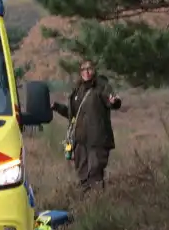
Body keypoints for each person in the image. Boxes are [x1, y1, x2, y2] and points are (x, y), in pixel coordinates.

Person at [52, 59, 123, 190]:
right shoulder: (78, 90)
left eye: (89, 68)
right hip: (80, 141)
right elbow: (72, 114)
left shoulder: (102, 86)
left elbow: (112, 101)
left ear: (94, 70)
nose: (87, 72)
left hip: (98, 140)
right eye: (83, 69)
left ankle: (98, 203)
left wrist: (114, 102)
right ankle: (87, 204)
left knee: (95, 173)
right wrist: (56, 107)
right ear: (80, 72)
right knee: (83, 175)